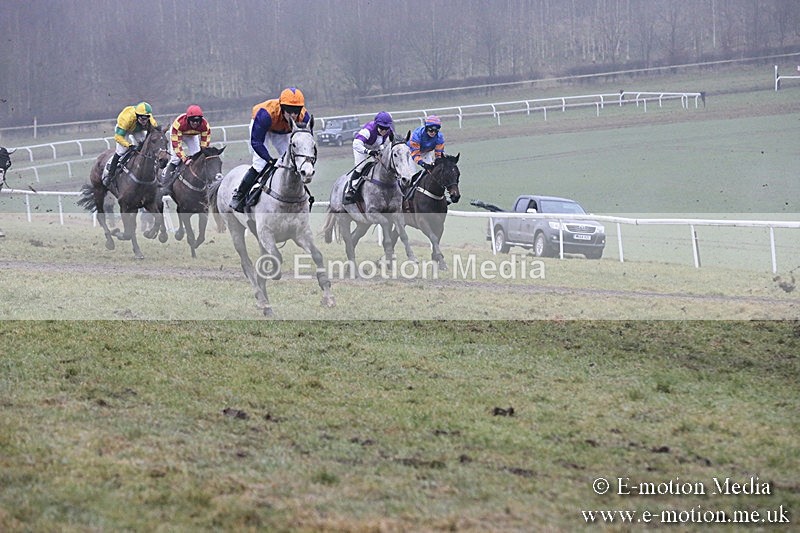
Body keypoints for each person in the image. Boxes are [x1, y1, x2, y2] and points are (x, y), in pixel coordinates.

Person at [229, 87, 312, 212]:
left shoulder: (304, 117)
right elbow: (256, 142)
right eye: (289, 111)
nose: (294, 115)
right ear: (282, 107)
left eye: (296, 111)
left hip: (283, 131)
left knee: (294, 162)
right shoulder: (265, 114)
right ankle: (239, 195)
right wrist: (269, 160)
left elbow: (306, 142)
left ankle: (297, 196)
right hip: (263, 129)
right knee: (260, 164)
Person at [161, 104, 211, 197]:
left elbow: (204, 146)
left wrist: (201, 155)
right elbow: (177, 146)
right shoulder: (179, 123)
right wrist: (184, 159)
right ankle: (166, 183)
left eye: (197, 120)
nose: (195, 123)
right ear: (188, 119)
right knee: (176, 159)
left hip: (192, 136)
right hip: (178, 133)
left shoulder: (205, 125)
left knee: (197, 156)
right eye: (193, 120)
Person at [103, 102, 158, 187]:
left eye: (147, 118)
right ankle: (110, 175)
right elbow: (118, 137)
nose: (145, 121)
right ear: (137, 115)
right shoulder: (126, 119)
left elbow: (155, 132)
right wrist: (129, 145)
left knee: (145, 147)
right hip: (124, 130)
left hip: (137, 130)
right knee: (122, 151)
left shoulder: (150, 120)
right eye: (143, 118)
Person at [343, 111, 394, 203]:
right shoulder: (368, 130)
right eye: (381, 128)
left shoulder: (388, 131)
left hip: (375, 146)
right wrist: (368, 152)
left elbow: (387, 143)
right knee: (360, 167)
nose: (384, 131)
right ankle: (351, 188)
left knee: (384, 165)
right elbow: (356, 143)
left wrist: (382, 150)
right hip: (362, 147)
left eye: (386, 128)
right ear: (376, 124)